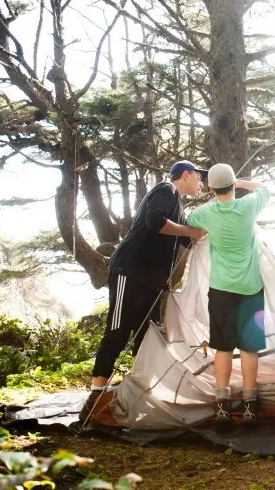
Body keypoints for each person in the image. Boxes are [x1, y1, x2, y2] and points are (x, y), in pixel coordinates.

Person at [79, 160, 208, 423]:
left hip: (151, 280)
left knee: (146, 335)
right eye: (199, 177)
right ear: (185, 175)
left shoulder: (178, 206)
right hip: (131, 271)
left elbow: (188, 239)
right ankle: (97, 399)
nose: (201, 183)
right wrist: (190, 231)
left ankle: (140, 392)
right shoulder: (165, 190)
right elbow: (155, 222)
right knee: (118, 329)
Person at [186, 164, 270, 432]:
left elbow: (189, 220)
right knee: (249, 348)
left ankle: (222, 405)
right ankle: (249, 406)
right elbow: (266, 188)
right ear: (234, 186)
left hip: (221, 289)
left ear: (211, 189)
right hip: (251, 288)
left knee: (223, 347)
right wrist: (243, 182)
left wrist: (213, 199)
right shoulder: (249, 207)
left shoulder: (206, 213)